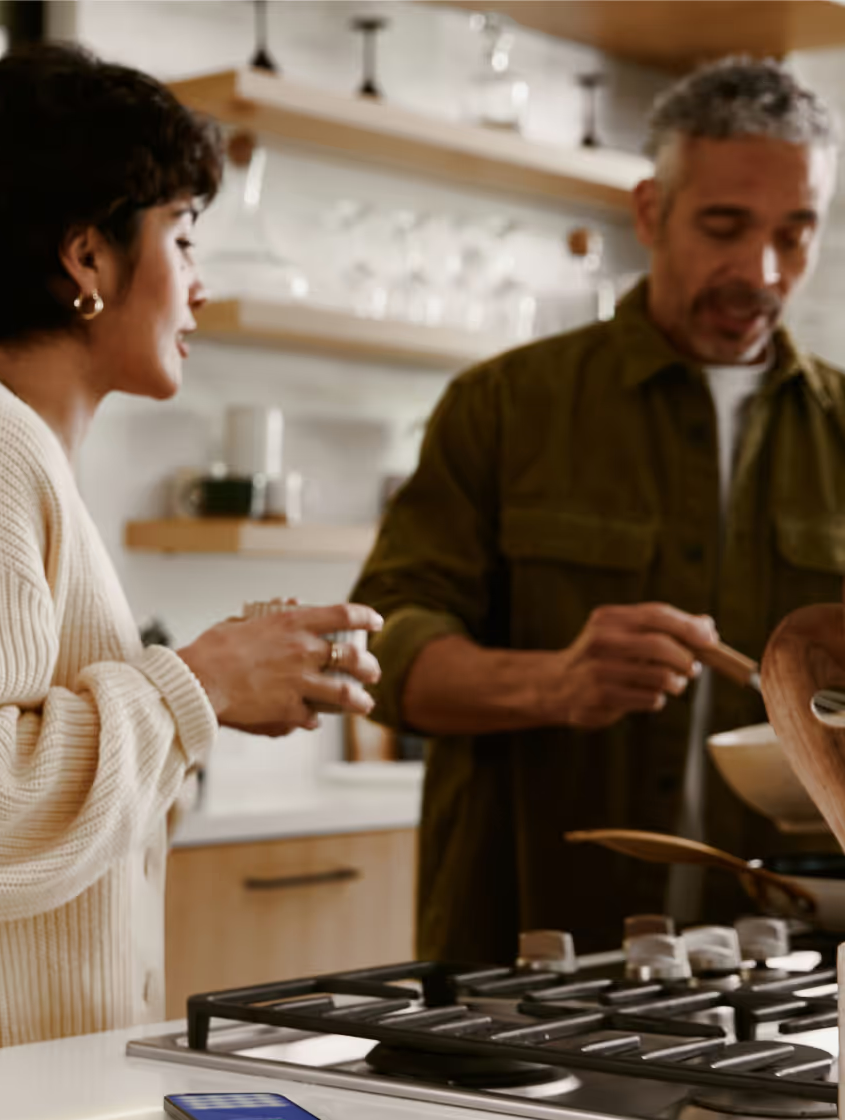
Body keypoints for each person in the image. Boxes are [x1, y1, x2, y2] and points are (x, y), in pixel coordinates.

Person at [0, 44, 381, 1082]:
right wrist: (203, 682)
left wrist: (216, 684)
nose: (199, 282)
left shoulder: (4, 454)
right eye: (183, 238)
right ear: (88, 258)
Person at [351, 58, 845, 963]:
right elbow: (378, 655)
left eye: (796, 233)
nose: (762, 271)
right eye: (725, 227)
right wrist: (554, 682)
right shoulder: (503, 406)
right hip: (527, 967)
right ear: (651, 210)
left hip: (794, 980)